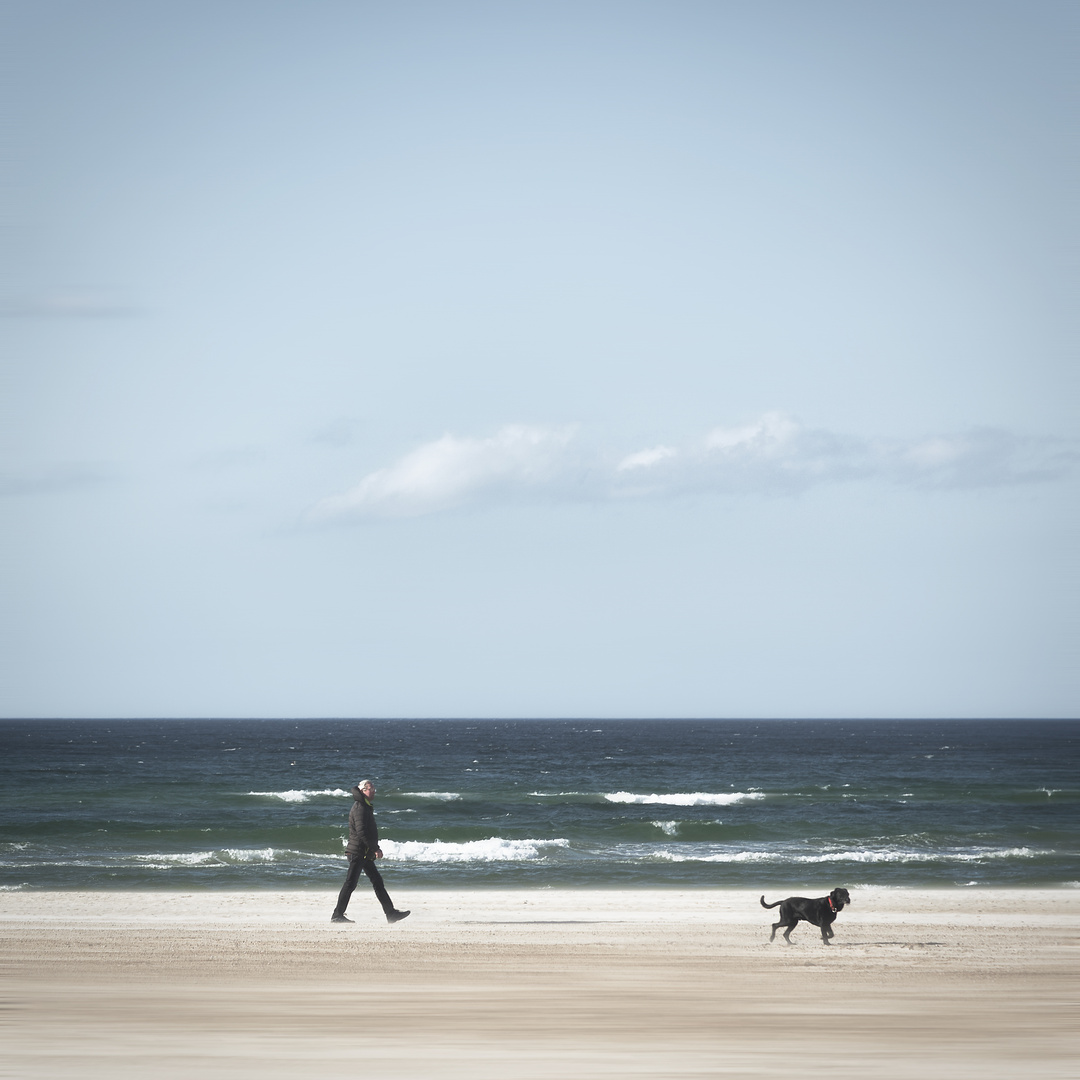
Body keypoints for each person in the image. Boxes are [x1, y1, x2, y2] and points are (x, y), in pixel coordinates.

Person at [331, 779, 410, 924]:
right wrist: (375, 848)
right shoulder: (360, 807)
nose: (373, 791)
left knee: (377, 881)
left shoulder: (365, 806)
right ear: (363, 791)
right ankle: (337, 915)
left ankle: (391, 913)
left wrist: (371, 849)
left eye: (373, 789)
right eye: (371, 789)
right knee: (350, 884)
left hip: (364, 853)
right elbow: (361, 832)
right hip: (358, 852)